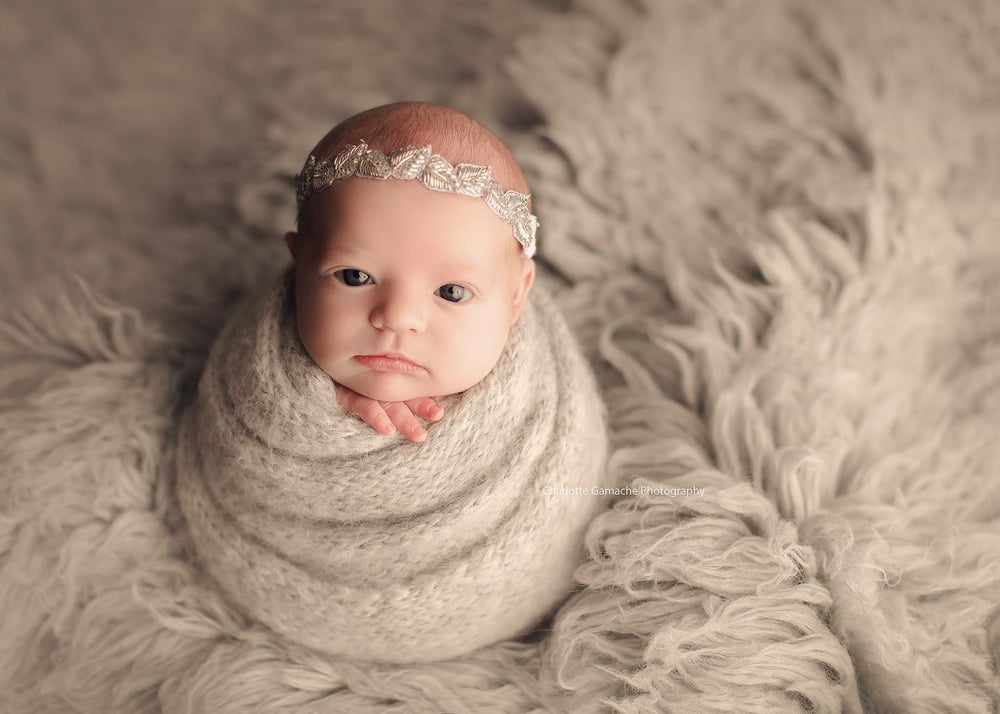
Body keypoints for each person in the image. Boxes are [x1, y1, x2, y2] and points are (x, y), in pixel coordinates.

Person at [284, 101, 537, 442]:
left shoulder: (537, 405)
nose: (397, 317)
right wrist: (312, 399)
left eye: (452, 292)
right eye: (354, 276)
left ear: (517, 294)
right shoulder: (268, 365)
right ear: (300, 265)